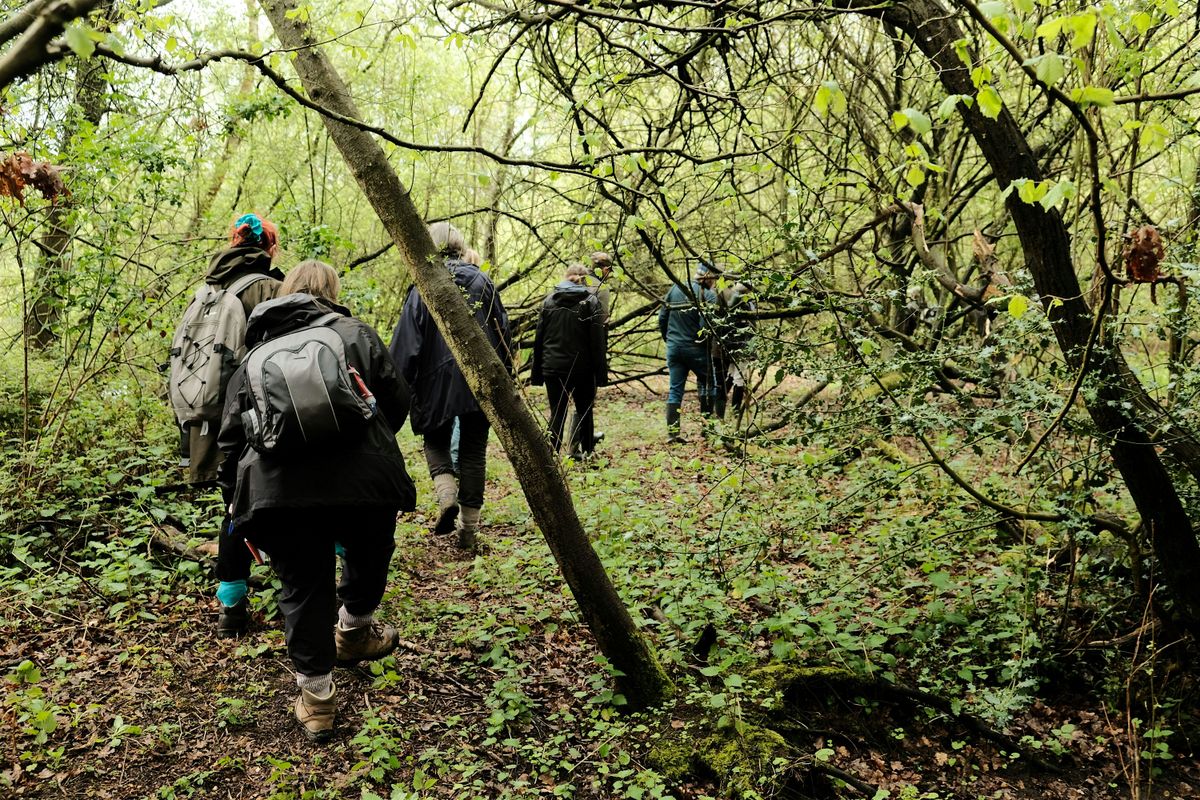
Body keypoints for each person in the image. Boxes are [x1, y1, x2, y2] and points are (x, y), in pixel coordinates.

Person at [217, 259, 415, 743]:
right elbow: (397, 404)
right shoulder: (356, 333)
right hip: (363, 483)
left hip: (280, 493)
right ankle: (352, 631)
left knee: (303, 588)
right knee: (369, 555)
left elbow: (231, 439)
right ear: (331, 291)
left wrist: (237, 506)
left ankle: (318, 702)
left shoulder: (255, 352)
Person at [170, 213, 284, 639]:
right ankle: (292, 594)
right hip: (258, 418)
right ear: (269, 248)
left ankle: (231, 608)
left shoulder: (207, 290)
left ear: (232, 243)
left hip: (212, 422)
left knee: (233, 508)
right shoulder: (270, 288)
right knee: (273, 500)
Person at [389, 222, 512, 549]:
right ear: (459, 245)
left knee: (435, 440)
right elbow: (503, 333)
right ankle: (468, 530)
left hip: (434, 383)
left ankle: (446, 497)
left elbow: (405, 347)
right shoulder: (482, 282)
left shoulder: (422, 287)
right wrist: (505, 375)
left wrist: (398, 385)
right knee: (473, 451)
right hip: (480, 380)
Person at [531, 264, 608, 459]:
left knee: (557, 413)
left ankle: (551, 459)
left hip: (553, 368)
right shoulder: (591, 302)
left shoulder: (549, 301)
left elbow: (539, 339)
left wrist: (537, 373)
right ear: (585, 280)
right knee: (585, 413)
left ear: (566, 278)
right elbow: (597, 342)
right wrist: (600, 375)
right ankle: (589, 455)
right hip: (583, 369)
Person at [658, 261, 718, 442]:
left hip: (674, 348)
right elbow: (705, 326)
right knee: (709, 384)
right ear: (709, 278)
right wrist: (705, 344)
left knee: (675, 389)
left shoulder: (676, 288)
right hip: (696, 349)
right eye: (714, 279)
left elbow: (662, 317)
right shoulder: (708, 296)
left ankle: (673, 434)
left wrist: (669, 340)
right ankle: (708, 430)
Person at [712, 279, 756, 419]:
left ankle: (723, 404)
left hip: (737, 345)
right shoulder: (739, 300)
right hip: (740, 346)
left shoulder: (741, 300)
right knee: (738, 377)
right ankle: (735, 410)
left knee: (732, 376)